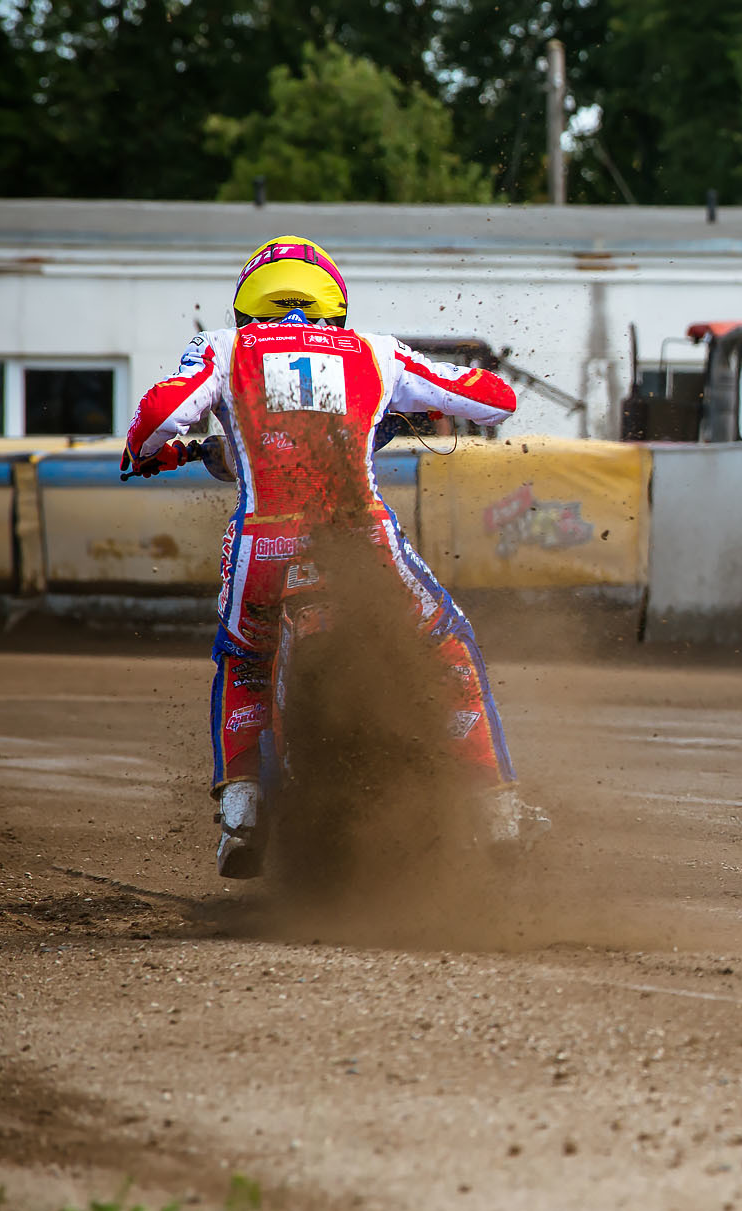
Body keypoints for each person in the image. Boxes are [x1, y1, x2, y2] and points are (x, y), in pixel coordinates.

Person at [121, 238, 529, 878]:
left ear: (247, 306)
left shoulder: (225, 351)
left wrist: (145, 450)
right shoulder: (376, 352)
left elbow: (159, 414)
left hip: (264, 543)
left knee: (243, 660)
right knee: (447, 640)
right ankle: (496, 808)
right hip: (360, 540)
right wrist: (427, 395)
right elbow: (494, 400)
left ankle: (242, 813)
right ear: (333, 305)